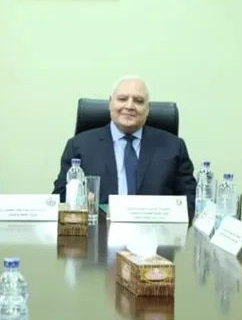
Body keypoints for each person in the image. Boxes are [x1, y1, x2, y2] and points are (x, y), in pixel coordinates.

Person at [52, 76, 197, 218]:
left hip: (157, 229)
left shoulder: (173, 146)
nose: (129, 106)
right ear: (110, 103)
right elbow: (61, 198)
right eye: (122, 99)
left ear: (148, 109)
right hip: (99, 229)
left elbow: (189, 200)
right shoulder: (79, 146)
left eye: (138, 101)